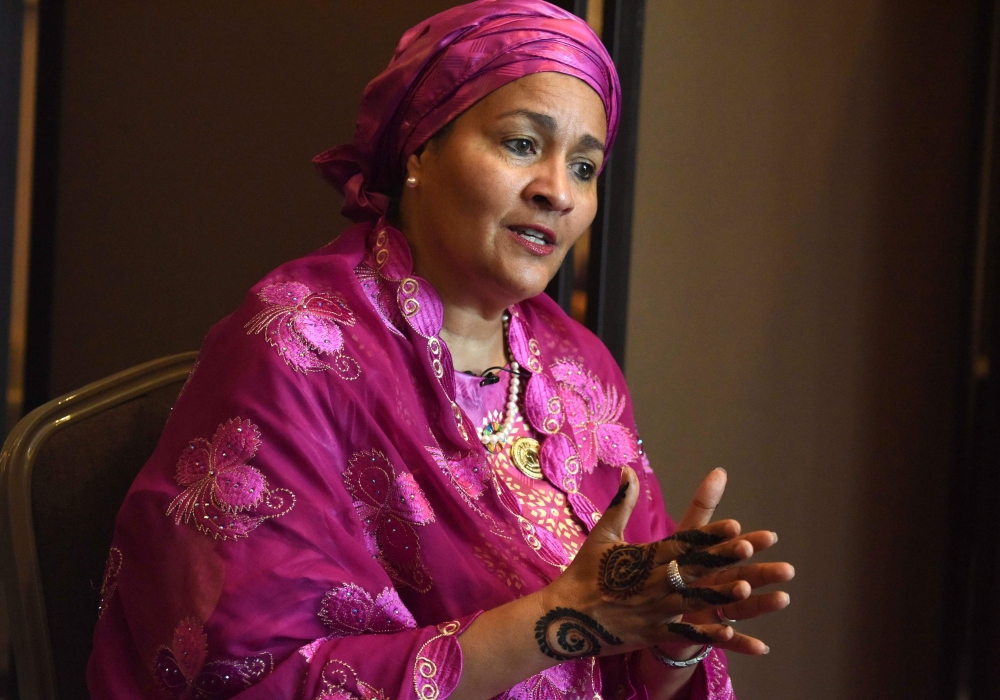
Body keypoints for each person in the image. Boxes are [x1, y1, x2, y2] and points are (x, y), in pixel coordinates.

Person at [87, 1, 794, 698]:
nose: (558, 192)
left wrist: (670, 640)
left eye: (585, 168)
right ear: (420, 150)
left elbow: (624, 658)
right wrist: (559, 619)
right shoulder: (297, 346)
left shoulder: (580, 373)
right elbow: (245, 676)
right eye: (523, 145)